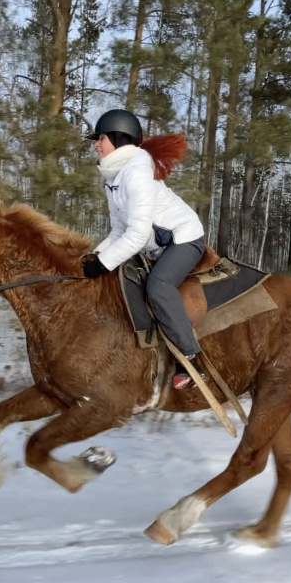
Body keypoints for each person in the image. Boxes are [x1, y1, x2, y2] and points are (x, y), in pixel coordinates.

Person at [81, 108, 207, 390]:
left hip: (184, 239)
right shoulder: (113, 177)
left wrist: (103, 264)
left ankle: (190, 359)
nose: (96, 144)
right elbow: (118, 230)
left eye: (101, 138)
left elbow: (136, 235)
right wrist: (94, 257)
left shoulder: (136, 172)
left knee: (158, 286)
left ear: (119, 138)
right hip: (158, 246)